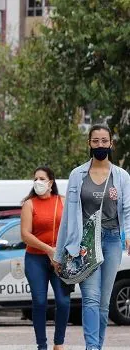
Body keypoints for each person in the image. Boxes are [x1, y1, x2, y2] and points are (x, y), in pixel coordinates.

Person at [54, 124, 130, 350]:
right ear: (89, 143)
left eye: (104, 141)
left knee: (104, 303)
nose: (100, 145)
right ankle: (92, 348)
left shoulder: (122, 176)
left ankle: (97, 344)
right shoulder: (77, 175)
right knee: (91, 298)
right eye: (95, 141)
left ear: (111, 144)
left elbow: (127, 209)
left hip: (112, 241)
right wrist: (59, 254)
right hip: (86, 243)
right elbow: (68, 216)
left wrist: (128, 235)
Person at [20, 166, 69, 350]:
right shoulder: (29, 204)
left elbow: (72, 228)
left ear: (51, 182)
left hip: (60, 259)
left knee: (63, 302)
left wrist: (62, 251)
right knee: (39, 302)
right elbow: (25, 235)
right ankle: (42, 345)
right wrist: (49, 250)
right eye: (35, 179)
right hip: (35, 259)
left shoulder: (63, 201)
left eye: (42, 178)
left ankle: (59, 343)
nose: (37, 182)